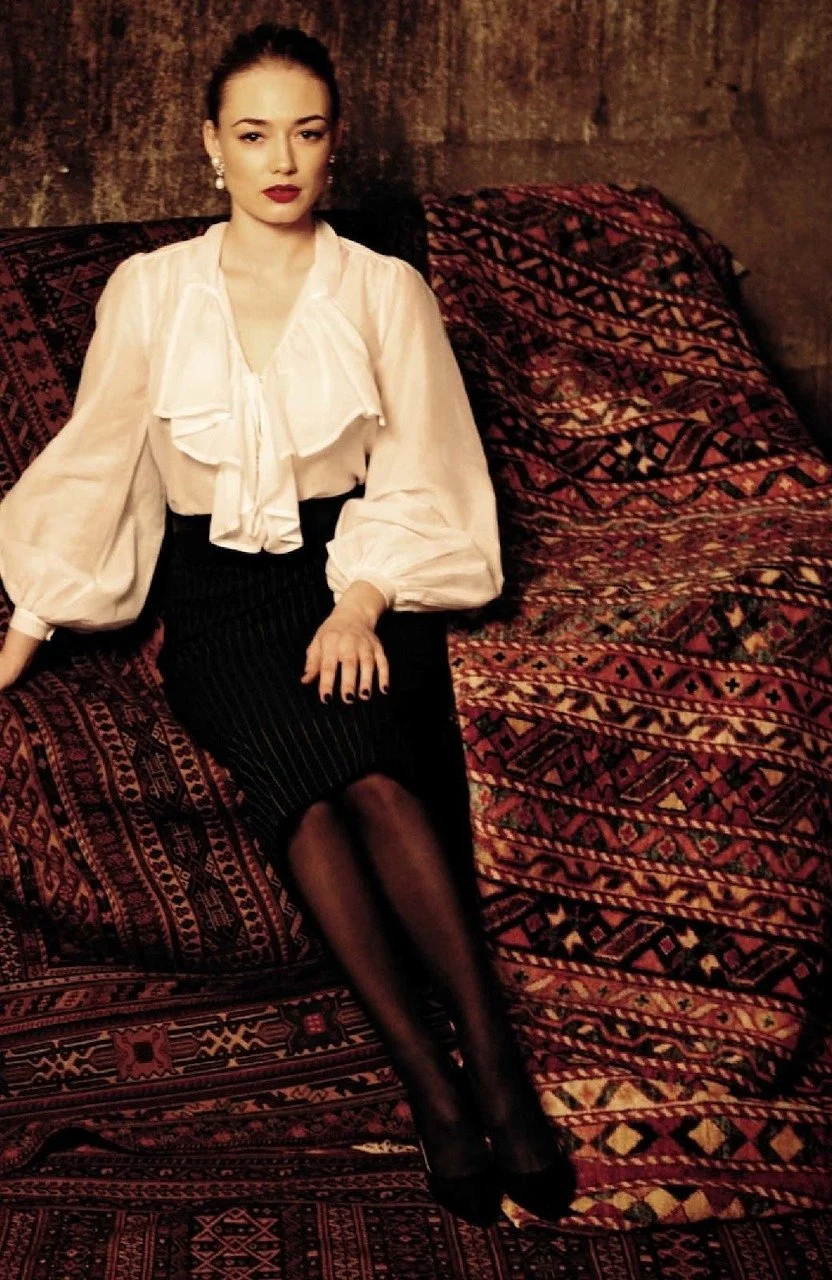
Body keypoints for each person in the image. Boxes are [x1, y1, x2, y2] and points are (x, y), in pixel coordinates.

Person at [0, 23, 576, 1227]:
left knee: (373, 771)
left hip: (354, 570)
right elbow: (103, 458)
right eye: (254, 134)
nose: (281, 160)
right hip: (217, 600)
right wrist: (31, 617)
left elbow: (426, 467)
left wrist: (361, 598)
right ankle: (432, 1089)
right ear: (211, 147)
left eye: (305, 134)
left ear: (334, 146)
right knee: (300, 785)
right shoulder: (151, 290)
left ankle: (498, 1070)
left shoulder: (384, 290)